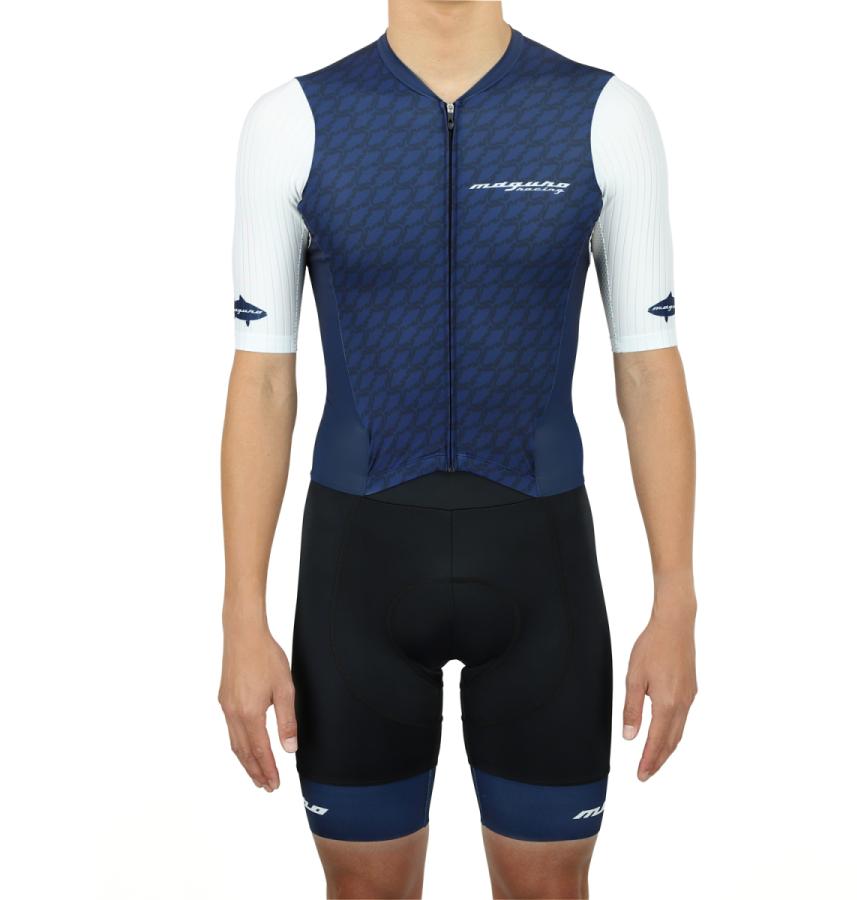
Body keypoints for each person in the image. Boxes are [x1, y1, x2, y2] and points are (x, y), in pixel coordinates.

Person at [219, 1, 697, 896]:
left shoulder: (603, 115)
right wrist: (241, 617)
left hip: (542, 574)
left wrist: (677, 602)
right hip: (355, 579)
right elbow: (262, 385)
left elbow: (649, 372)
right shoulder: (293, 122)